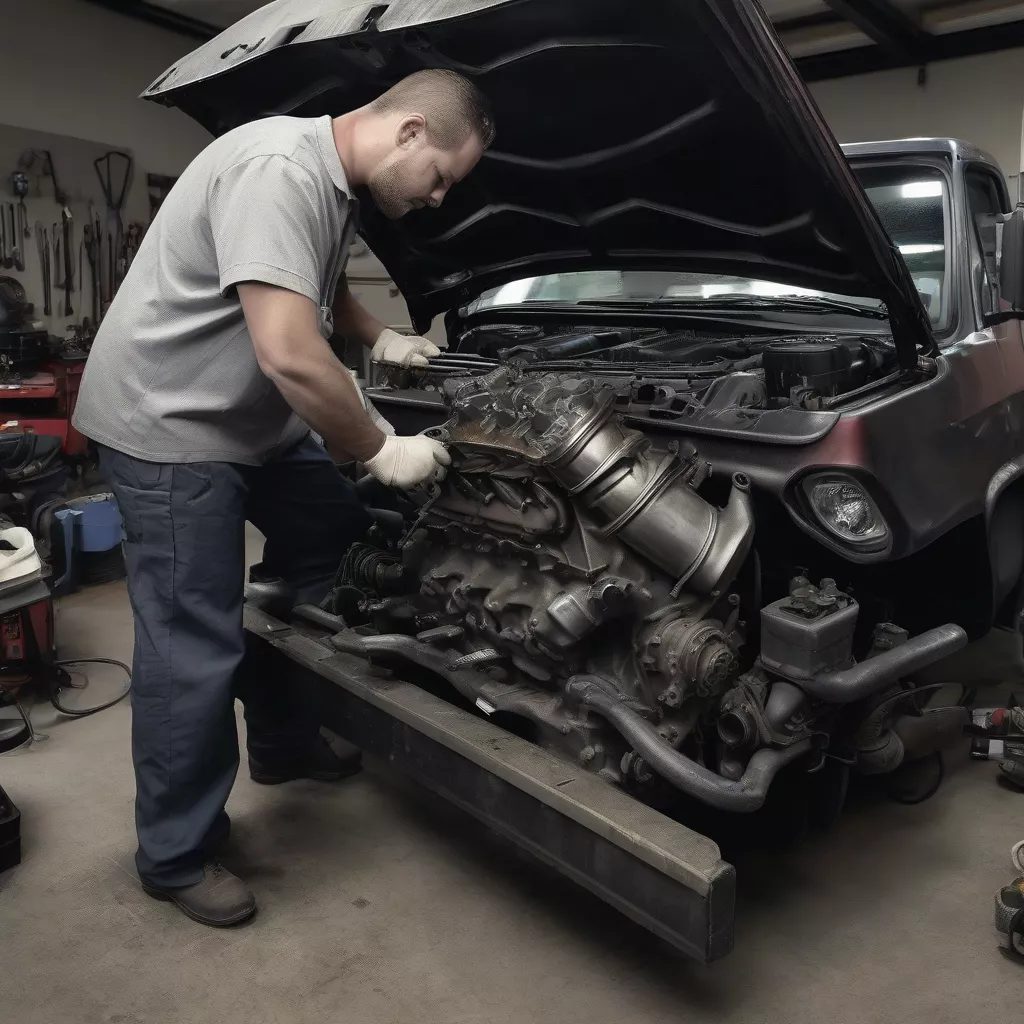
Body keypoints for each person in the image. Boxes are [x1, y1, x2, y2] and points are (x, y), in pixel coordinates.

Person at [72, 70, 495, 927]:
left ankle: (283, 738)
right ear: (411, 131)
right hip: (171, 427)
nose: (440, 199)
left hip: (252, 423)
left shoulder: (330, 183)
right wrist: (380, 446)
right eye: (442, 177)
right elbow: (292, 354)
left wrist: (383, 338)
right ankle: (175, 854)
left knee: (337, 543)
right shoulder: (277, 170)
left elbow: (315, 286)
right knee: (192, 638)